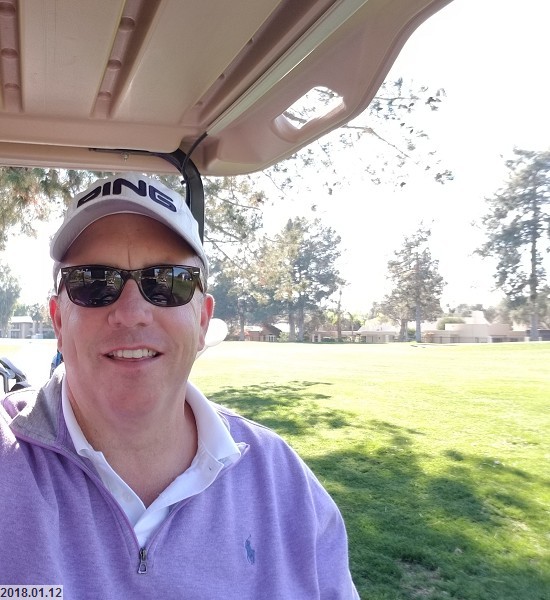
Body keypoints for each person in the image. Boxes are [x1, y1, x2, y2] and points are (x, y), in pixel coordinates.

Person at [0, 173, 359, 598]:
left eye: (167, 282)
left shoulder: (283, 485)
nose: (132, 313)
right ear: (59, 321)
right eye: (94, 282)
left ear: (202, 320)